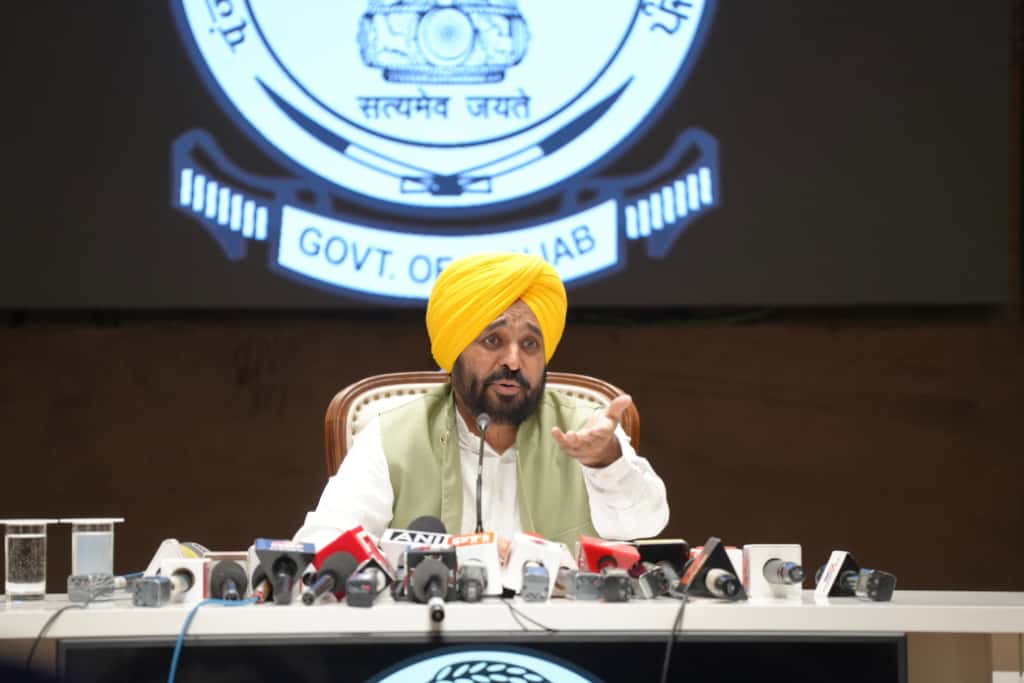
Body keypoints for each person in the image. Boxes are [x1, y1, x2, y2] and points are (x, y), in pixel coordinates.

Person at [294, 253, 668, 552]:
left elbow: (646, 525)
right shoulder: (394, 437)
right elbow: (322, 544)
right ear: (454, 351)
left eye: (530, 344)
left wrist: (606, 461)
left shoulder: (587, 431)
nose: (513, 361)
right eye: (493, 341)